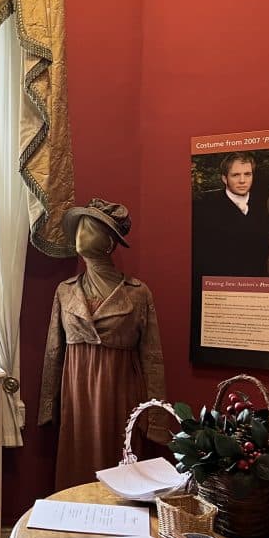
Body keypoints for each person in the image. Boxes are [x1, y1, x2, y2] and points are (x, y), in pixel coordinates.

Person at [39, 198, 167, 490]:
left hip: (119, 391)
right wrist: (48, 406)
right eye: (80, 227)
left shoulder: (138, 293)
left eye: (91, 228)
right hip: (77, 394)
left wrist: (156, 420)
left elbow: (153, 358)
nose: (81, 233)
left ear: (109, 242)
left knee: (119, 466)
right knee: (77, 462)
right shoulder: (65, 291)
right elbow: (53, 352)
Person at [193, 152, 269, 277]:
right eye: (236, 175)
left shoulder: (266, 205)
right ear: (224, 179)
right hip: (220, 283)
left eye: (247, 174)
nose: (242, 181)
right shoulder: (203, 208)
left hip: (259, 283)